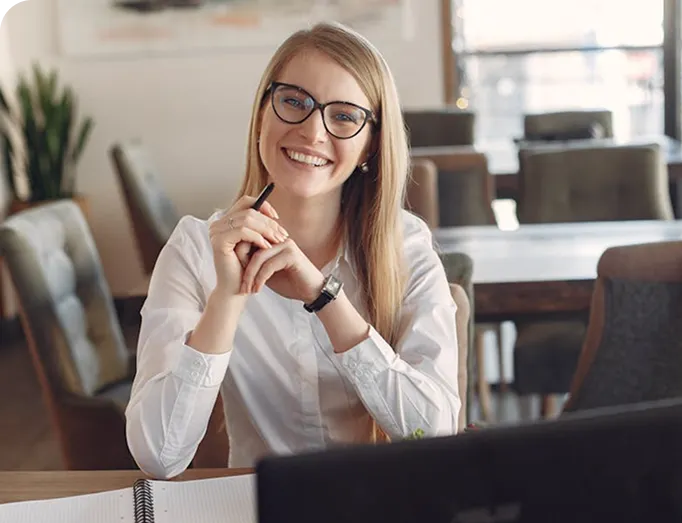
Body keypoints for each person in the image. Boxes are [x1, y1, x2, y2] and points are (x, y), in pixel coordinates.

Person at [125, 22, 460, 479]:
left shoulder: (407, 247)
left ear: (370, 146)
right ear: (263, 112)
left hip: (378, 509)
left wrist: (325, 298)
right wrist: (228, 296)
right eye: (294, 102)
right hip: (252, 517)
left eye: (343, 116)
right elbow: (158, 456)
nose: (312, 131)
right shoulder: (195, 249)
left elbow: (435, 437)